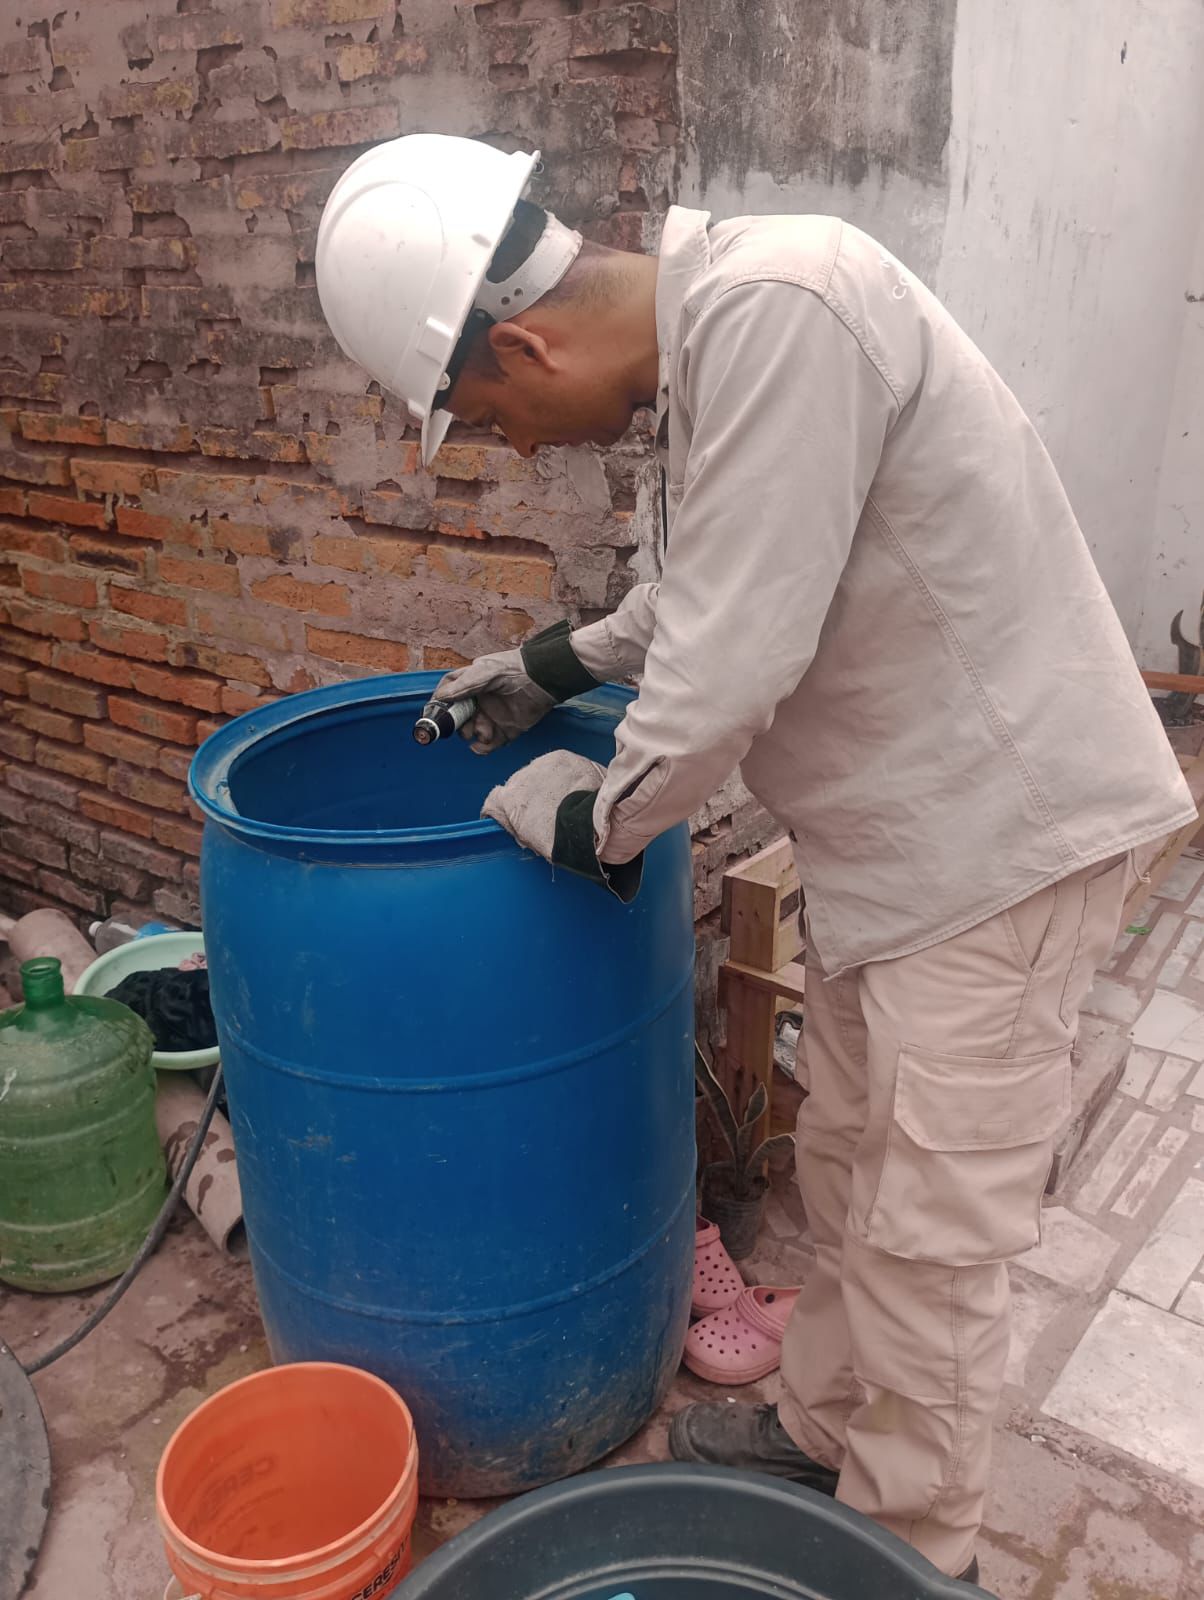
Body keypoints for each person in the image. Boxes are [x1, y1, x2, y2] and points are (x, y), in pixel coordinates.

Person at [315, 134, 1196, 1584]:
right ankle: (822, 1428)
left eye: (487, 417)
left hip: (1001, 849)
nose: (515, 449)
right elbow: (701, 590)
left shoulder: (789, 308)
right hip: (898, 851)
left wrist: (592, 820)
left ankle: (913, 1555)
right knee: (847, 1170)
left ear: (526, 345)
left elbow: (725, 669)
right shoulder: (716, 352)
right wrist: (546, 666)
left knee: (929, 1243)